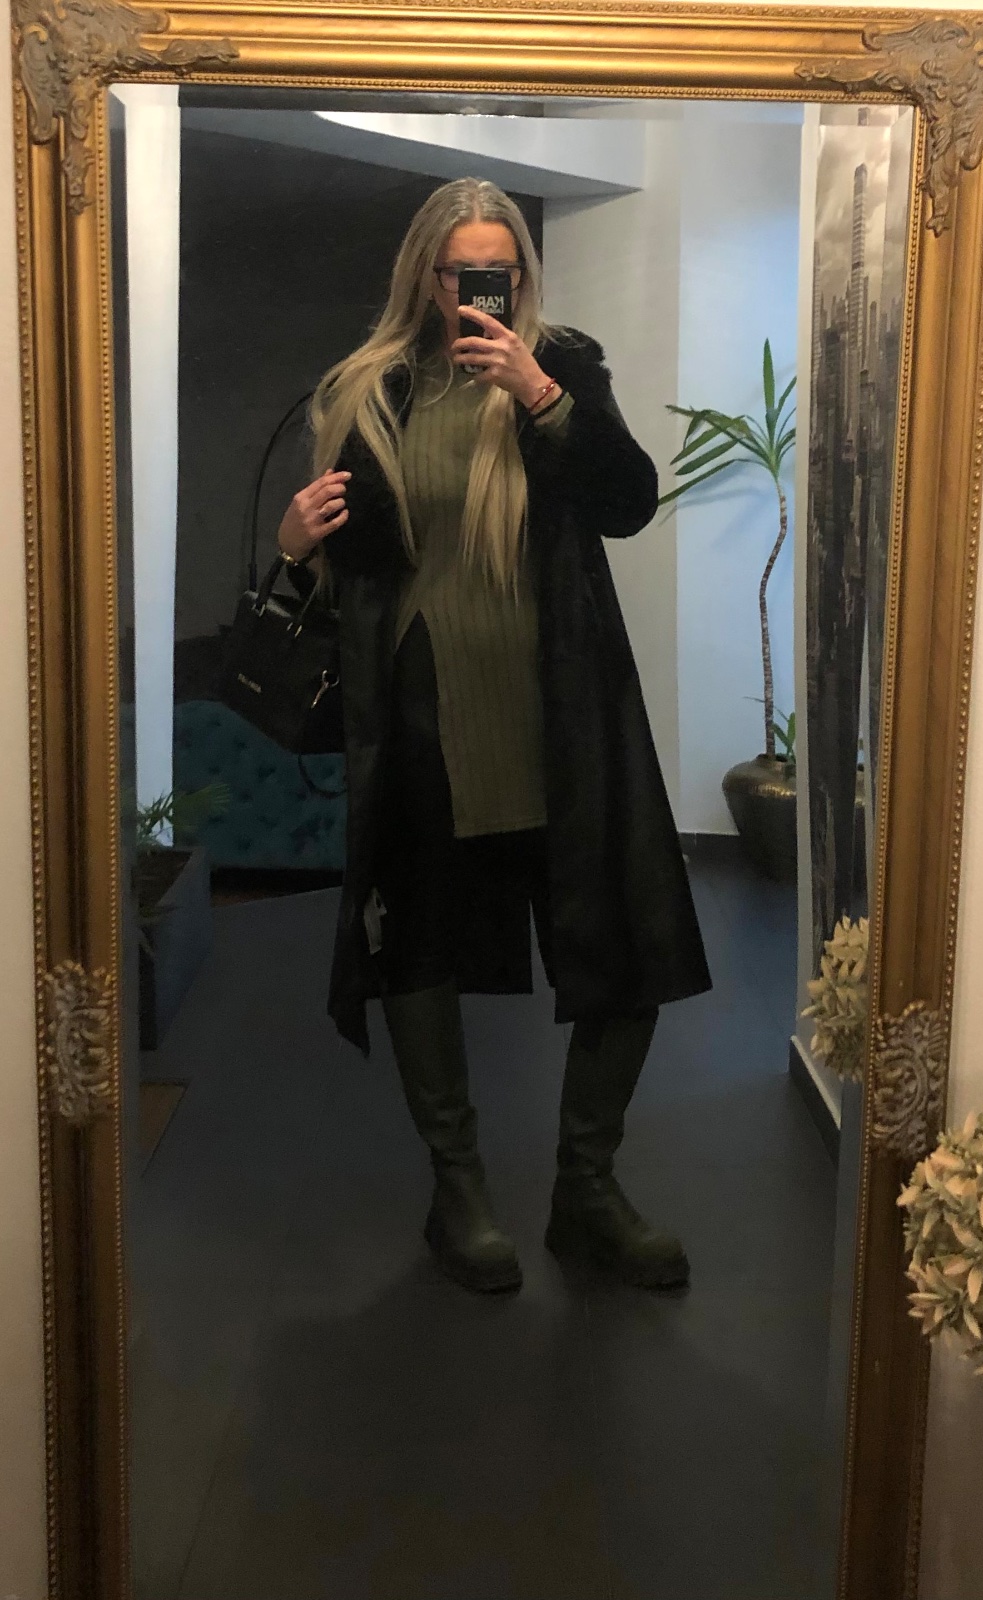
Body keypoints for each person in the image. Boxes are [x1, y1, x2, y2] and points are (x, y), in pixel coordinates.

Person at [276, 177, 711, 1295]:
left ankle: (587, 1189)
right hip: (426, 718)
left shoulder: (561, 364)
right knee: (417, 950)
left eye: (501, 271)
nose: (483, 289)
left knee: (626, 945)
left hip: (566, 711)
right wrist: (294, 543)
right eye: (463, 271)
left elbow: (627, 501)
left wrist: (539, 393)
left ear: (521, 274)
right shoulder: (368, 388)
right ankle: (458, 1191)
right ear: (425, 275)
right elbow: (350, 582)